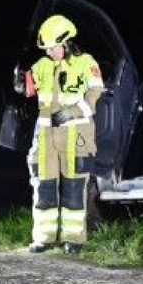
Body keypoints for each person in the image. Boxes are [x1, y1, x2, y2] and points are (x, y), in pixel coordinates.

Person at [23, 14, 103, 254]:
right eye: (46, 49)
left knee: (74, 188)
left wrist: (72, 112)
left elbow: (94, 96)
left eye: (52, 48)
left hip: (75, 135)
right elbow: (28, 88)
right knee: (43, 185)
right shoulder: (41, 65)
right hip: (46, 136)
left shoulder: (86, 63)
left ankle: (73, 240)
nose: (49, 52)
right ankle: (43, 237)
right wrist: (21, 80)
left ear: (66, 43)